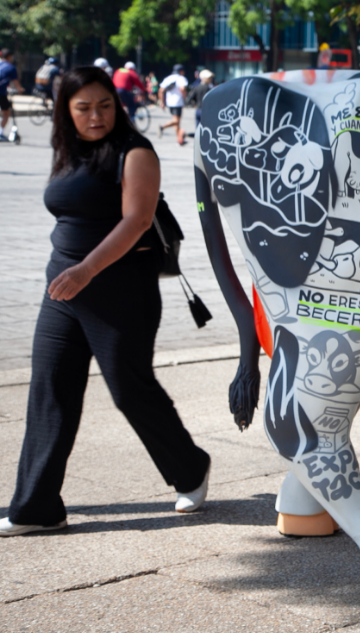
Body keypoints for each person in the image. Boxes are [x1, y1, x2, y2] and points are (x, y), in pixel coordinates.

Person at [0, 67, 211, 537]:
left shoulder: (134, 152)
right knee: (50, 386)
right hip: (64, 290)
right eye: (83, 108)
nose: (96, 116)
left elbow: (136, 221)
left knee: (129, 388)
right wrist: (68, 273)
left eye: (104, 106)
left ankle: (190, 468)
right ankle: (37, 506)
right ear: (65, 111)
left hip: (120, 289)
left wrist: (86, 270)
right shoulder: (69, 151)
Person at [158, 64, 188, 146]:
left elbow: (161, 90)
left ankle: (179, 139)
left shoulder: (168, 78)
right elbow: (183, 88)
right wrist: (185, 97)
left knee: (176, 122)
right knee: (176, 121)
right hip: (178, 102)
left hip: (169, 102)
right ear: (181, 71)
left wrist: (162, 102)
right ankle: (162, 127)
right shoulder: (181, 78)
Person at [0, 49, 22, 140]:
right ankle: (0, 132)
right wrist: (20, 89)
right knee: (6, 112)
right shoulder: (11, 67)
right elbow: (16, 83)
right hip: (1, 93)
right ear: (9, 56)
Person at [185, 69, 214, 136]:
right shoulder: (209, 89)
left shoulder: (197, 87)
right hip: (206, 111)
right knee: (206, 130)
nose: (211, 79)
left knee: (198, 130)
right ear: (204, 78)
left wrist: (194, 104)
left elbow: (189, 99)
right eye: (209, 78)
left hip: (198, 110)